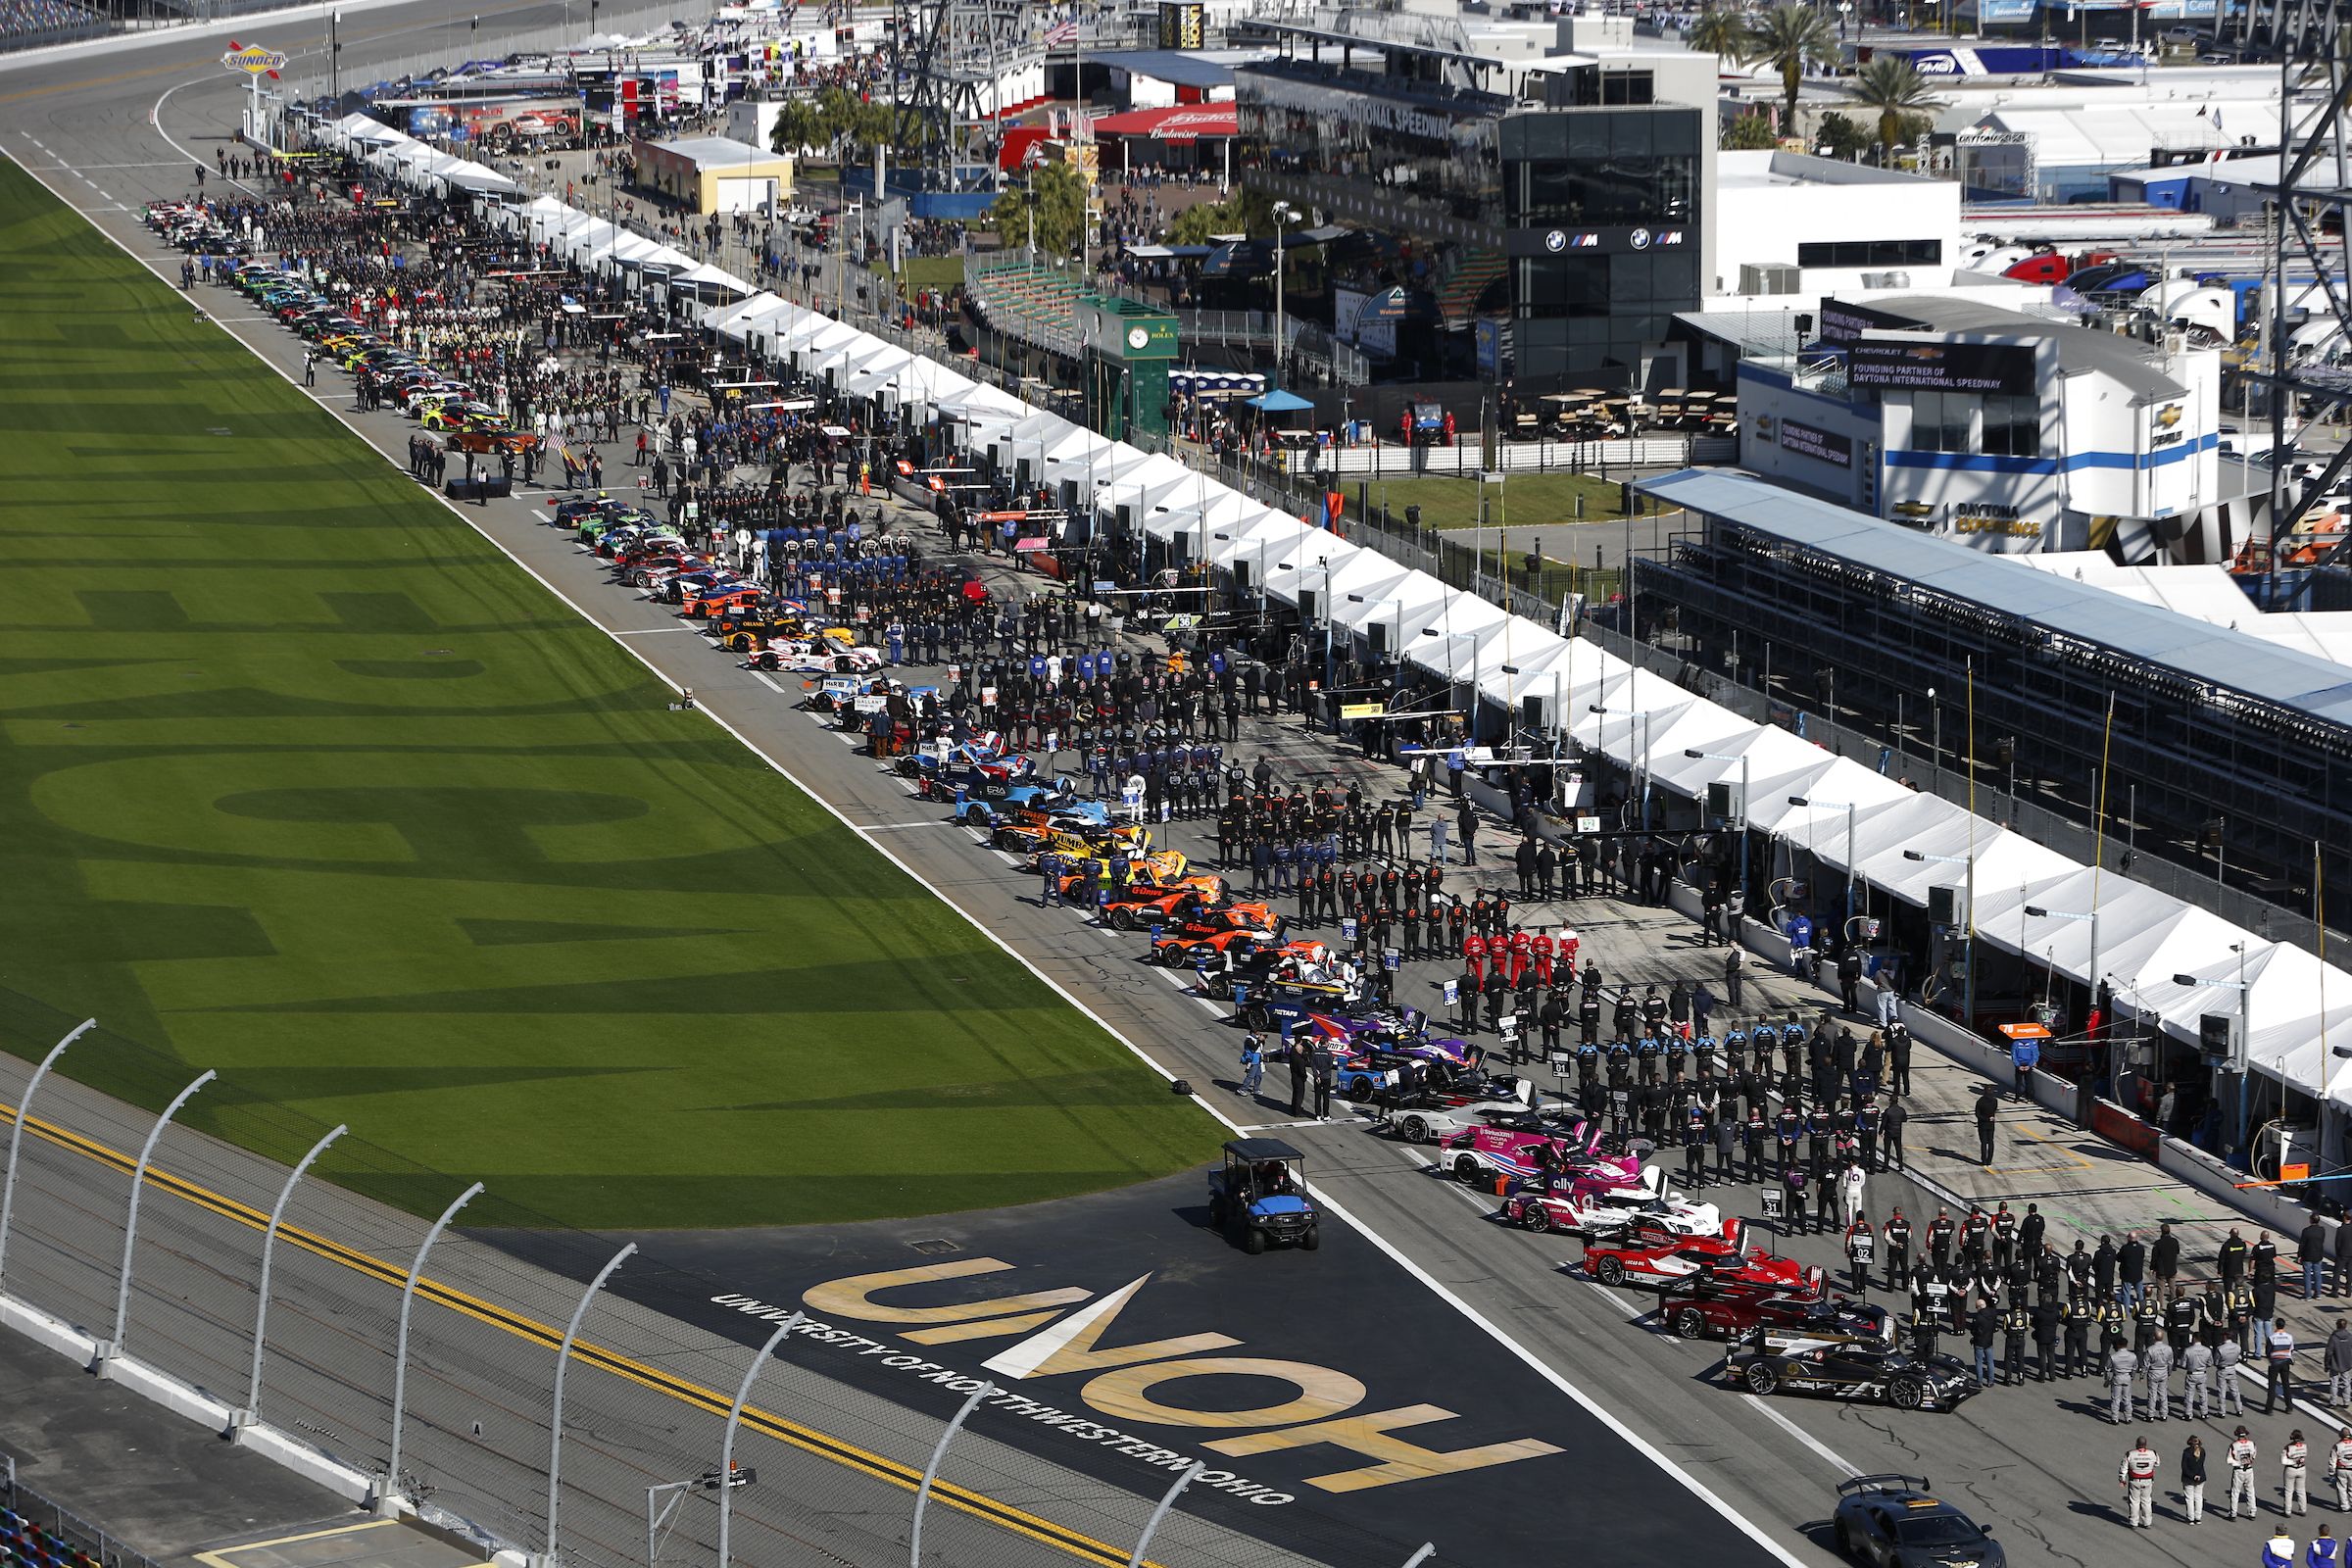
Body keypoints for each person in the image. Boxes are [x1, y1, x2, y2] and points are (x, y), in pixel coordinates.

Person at [2120, 1436, 2159, 1528]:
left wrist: (2122, 1479)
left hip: (2134, 1481)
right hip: (2148, 1481)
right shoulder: (2153, 1453)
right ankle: (2147, 1522)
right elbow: (2157, 1464)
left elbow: (2123, 1468)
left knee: (2134, 1502)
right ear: (2145, 1444)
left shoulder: (2130, 1454)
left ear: (2137, 1444)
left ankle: (2134, 1522)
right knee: (2147, 1501)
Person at [2272, 1319, 2300, 1413]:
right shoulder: (2289, 1337)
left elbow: (2268, 1351)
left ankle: (2269, 1408)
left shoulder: (2272, 1337)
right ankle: (2289, 1407)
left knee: (2272, 1386)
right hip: (2285, 1362)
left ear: (2276, 1325)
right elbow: (2291, 1350)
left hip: (2275, 1362)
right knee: (2286, 1384)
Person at [2232, 1428, 2262, 1519]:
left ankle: (2233, 1514)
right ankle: (2252, 1512)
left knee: (2235, 1492)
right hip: (2249, 1470)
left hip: (2238, 1470)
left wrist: (2239, 1462)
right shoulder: (2252, 1444)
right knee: (2250, 1491)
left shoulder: (2234, 1445)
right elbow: (2254, 1456)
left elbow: (2229, 1460)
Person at [2110, 1341, 2140, 1423]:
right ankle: (2128, 1418)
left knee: (2116, 1399)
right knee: (2127, 1398)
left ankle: (2114, 1418)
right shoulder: (2132, 1356)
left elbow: (2107, 1368)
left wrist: (2107, 1379)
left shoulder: (2113, 1356)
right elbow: (2135, 1367)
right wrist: (2132, 1377)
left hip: (2117, 1377)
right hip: (2127, 1377)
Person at [2182, 1434, 2208, 1525]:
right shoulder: (2202, 1451)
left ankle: (2190, 1518)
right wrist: (2198, 1475)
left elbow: (2184, 1467)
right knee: (2198, 1497)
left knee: (2189, 1498)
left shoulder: (2186, 1452)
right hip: (2201, 1477)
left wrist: (2192, 1475)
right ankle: (2198, 1517)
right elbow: (2201, 1465)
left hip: (2188, 1478)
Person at [2287, 1429, 2312, 1517]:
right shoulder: (2304, 1446)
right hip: (2302, 1469)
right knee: (2301, 1490)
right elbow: (2304, 1455)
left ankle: (2287, 1511)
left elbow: (2283, 1460)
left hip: (2291, 1469)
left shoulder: (2288, 1447)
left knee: (2289, 1491)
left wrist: (2293, 1462)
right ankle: (2303, 1509)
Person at [1975, 1084, 1999, 1166]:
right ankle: (1989, 1160)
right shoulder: (1995, 1100)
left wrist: (1985, 1119)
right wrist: (1990, 1118)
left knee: (1984, 1142)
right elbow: (1994, 1110)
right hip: (1991, 1124)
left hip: (1982, 1124)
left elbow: (1977, 1114)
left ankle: (1984, 1160)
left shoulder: (1980, 1101)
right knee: (1991, 1141)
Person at [2330, 1429, 2352, 1513]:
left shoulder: (2337, 1445)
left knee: (2342, 1488)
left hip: (2342, 1469)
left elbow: (2332, 1460)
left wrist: (2331, 1473)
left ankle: (2345, 1507)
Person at [1240, 1034, 1265, 1099]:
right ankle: (1242, 1089)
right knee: (1251, 1075)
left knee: (1258, 1076)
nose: (1259, 1035)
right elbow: (1254, 1048)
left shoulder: (1257, 1039)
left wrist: (1262, 1040)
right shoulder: (1249, 1040)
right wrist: (1259, 1040)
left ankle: (1256, 1089)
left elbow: (1261, 1047)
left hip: (1258, 1059)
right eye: (1258, 1033)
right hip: (1253, 1060)